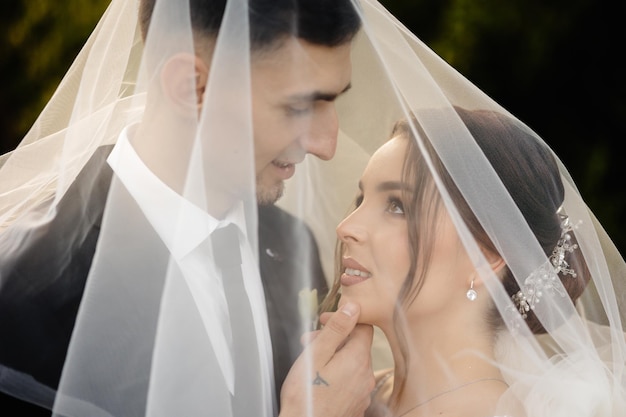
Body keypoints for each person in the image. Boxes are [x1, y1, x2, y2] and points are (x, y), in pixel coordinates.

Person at [0, 0, 375, 416]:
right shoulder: (25, 296)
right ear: (191, 87)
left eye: (333, 101)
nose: (326, 145)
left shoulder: (291, 241)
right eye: (300, 106)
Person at [320, 106, 626, 416]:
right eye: (361, 200)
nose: (346, 228)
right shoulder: (343, 397)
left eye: (397, 206)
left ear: (486, 255)